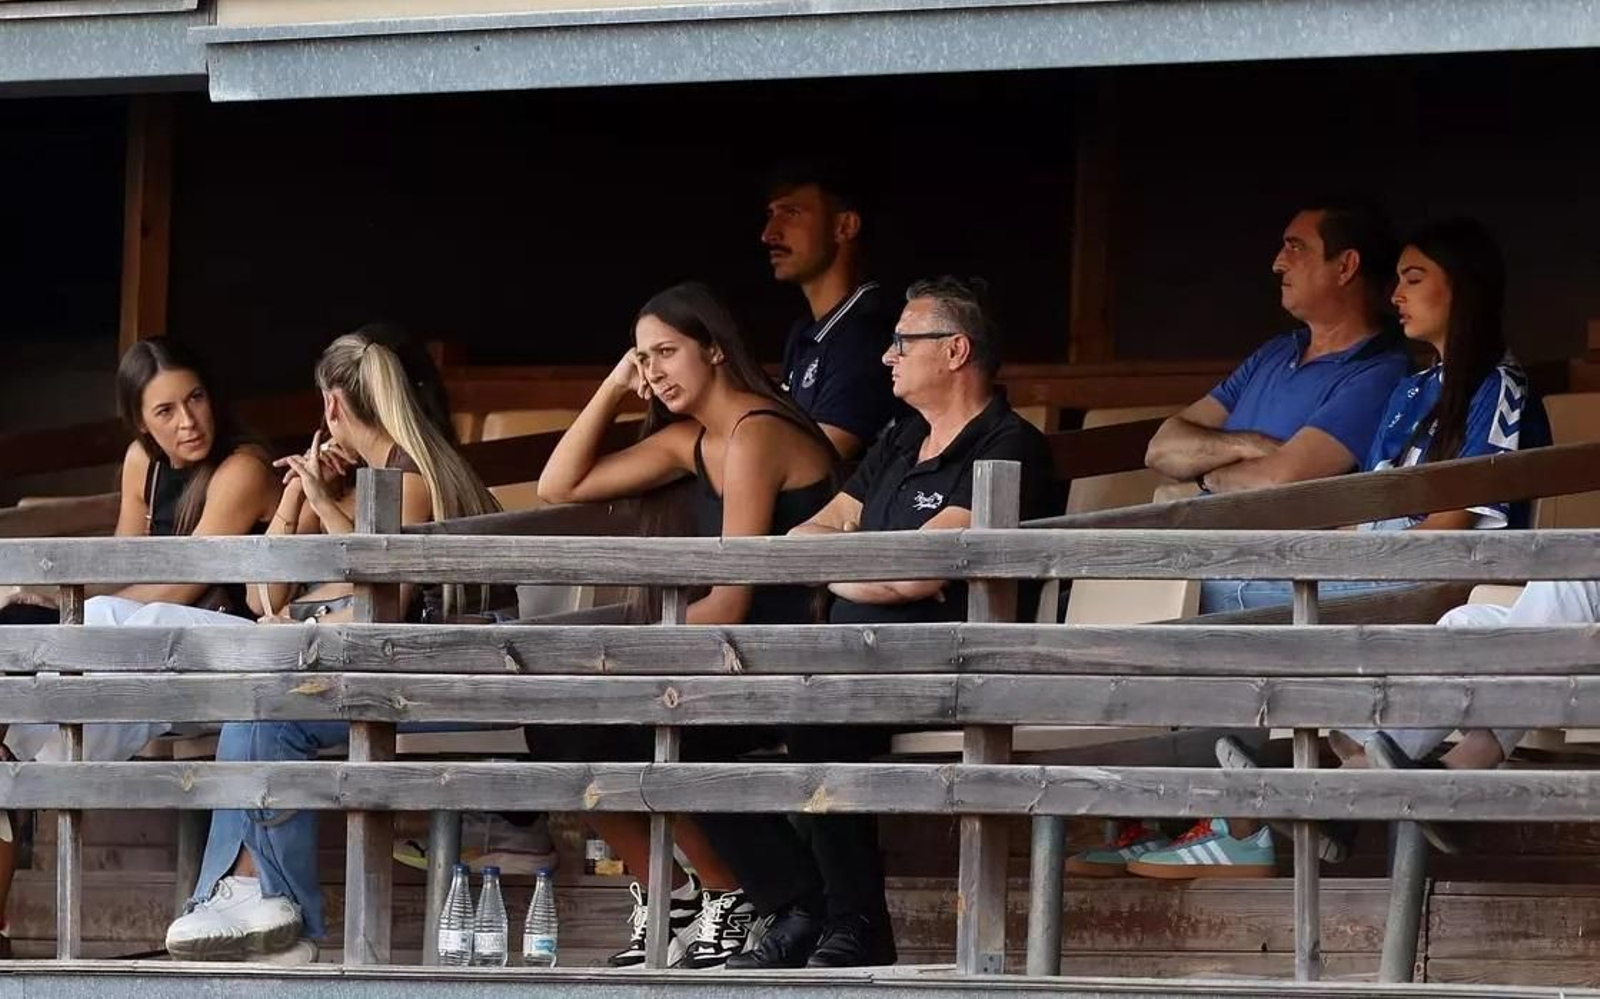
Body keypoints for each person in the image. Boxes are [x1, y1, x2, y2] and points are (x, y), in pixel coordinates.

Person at [1128, 219, 1551, 877]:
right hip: (1376, 557)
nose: (1397, 295)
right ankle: (1242, 806)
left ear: (1463, 288)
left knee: (1212, 590)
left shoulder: (1499, 386)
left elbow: (1451, 528)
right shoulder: (1412, 386)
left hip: (1440, 572)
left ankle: (1238, 808)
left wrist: (1357, 559)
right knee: (1224, 583)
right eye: (1399, 280)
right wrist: (1329, 552)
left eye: (1415, 280)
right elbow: (1368, 508)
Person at [697, 276, 1061, 969]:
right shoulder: (902, 436)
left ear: (955, 350)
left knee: (816, 715)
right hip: (845, 656)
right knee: (695, 722)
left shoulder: (1009, 444)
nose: (886, 356)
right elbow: (810, 530)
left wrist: (839, 566)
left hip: (948, 662)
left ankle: (857, 920)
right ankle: (798, 904)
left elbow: (918, 575)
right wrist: (860, 566)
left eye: (902, 341)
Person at [163, 331, 502, 964]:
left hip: (451, 682)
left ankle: (276, 913)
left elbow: (381, 608)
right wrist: (299, 493)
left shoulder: (410, 480)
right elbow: (264, 595)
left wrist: (321, 510)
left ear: (332, 406)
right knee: (257, 707)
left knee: (268, 714)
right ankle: (250, 902)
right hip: (408, 675)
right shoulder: (376, 478)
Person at [530, 281, 838, 970]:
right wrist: (615, 386)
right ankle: (672, 891)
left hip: (791, 658)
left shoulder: (757, 432)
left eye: (667, 352)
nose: (655, 370)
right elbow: (558, 485)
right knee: (556, 726)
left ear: (716, 349)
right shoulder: (692, 441)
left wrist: (618, 651)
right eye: (644, 358)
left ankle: (773, 895)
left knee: (667, 726)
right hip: (728, 659)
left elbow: (730, 602)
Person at [0, 338, 280, 957]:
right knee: (38, 638)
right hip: (153, 638)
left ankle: (31, 732)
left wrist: (75, 608)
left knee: (121, 621)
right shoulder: (142, 463)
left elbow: (183, 583)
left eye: (196, 399)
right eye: (165, 411)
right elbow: (125, 562)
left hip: (231, 639)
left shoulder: (243, 468)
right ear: (140, 422)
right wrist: (48, 600)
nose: (188, 422)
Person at [1144, 201, 1410, 504]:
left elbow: (1280, 481)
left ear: (1345, 266)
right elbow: (1161, 448)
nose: (1278, 264)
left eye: (1296, 247)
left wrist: (1201, 481)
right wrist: (1249, 445)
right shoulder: (1277, 351)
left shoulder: (1381, 372)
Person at [764, 163, 898, 459]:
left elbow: (810, 465)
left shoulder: (867, 333)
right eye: (771, 215)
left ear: (845, 227)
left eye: (791, 213)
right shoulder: (806, 330)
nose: (769, 234)